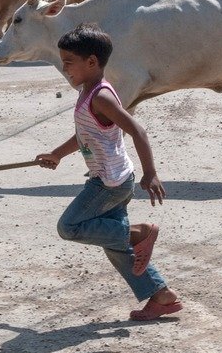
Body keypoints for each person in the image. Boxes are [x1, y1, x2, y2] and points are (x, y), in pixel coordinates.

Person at [35, 23, 181, 321]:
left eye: (68, 63)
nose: (65, 69)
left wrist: (150, 173)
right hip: (116, 178)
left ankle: (140, 232)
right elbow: (85, 136)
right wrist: (57, 155)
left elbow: (138, 130)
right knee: (115, 245)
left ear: (91, 62)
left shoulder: (101, 96)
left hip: (110, 183)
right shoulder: (88, 91)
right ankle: (162, 296)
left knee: (70, 227)